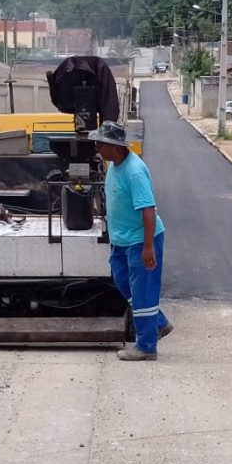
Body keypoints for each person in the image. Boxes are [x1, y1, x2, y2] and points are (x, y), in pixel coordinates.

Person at [88, 120, 173, 361]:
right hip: (122, 241)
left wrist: (148, 247)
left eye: (100, 144)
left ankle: (146, 347)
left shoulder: (135, 171)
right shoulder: (113, 164)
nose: (96, 148)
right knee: (124, 282)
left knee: (143, 291)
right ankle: (158, 323)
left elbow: (148, 209)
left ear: (115, 146)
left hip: (140, 241)